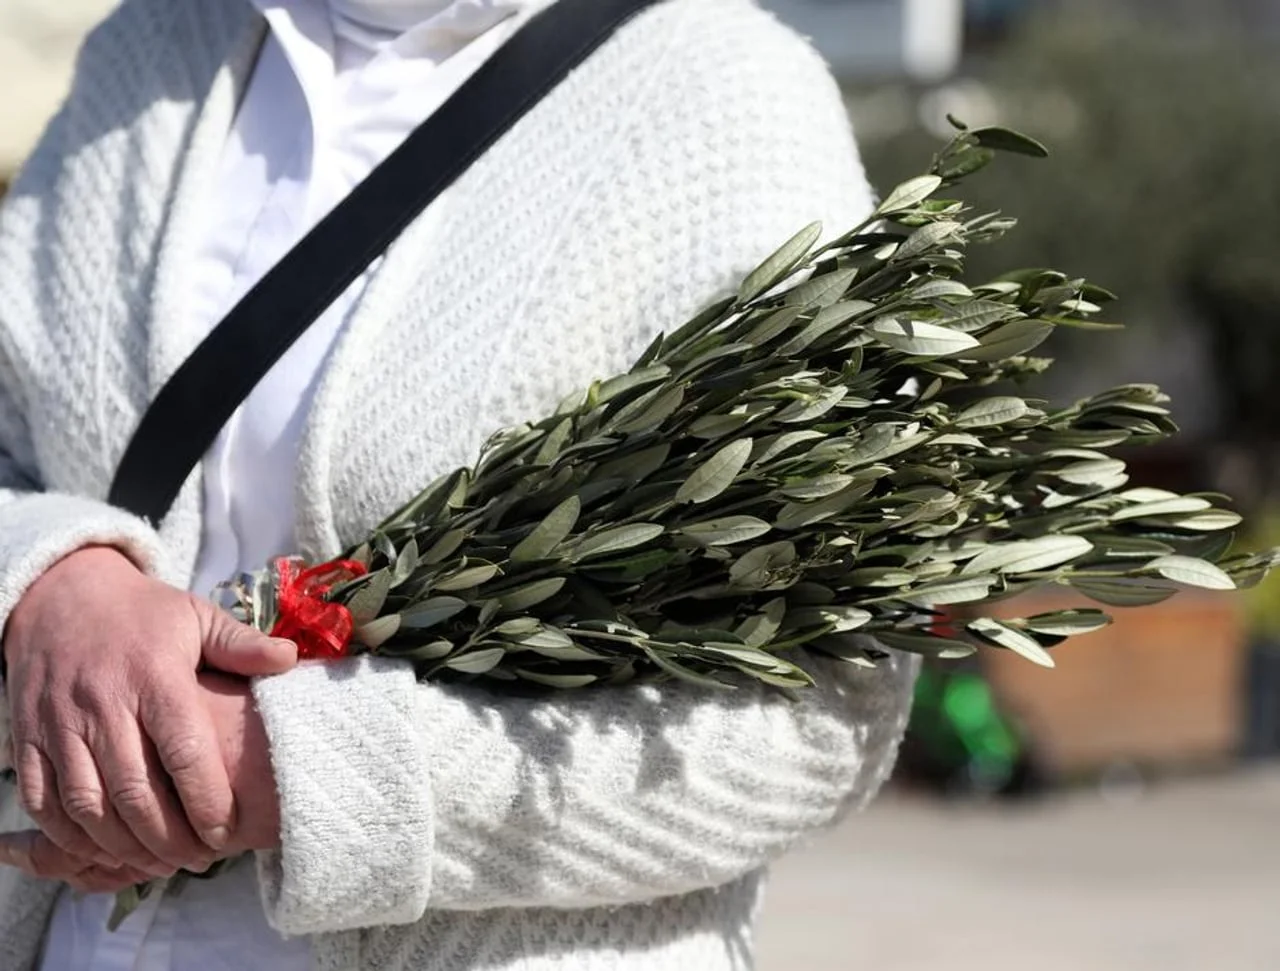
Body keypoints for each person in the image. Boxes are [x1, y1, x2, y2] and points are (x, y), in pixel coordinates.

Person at [0, 0, 917, 968]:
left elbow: (825, 706)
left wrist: (311, 776)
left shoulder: (723, 93)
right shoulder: (153, 48)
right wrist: (52, 582)